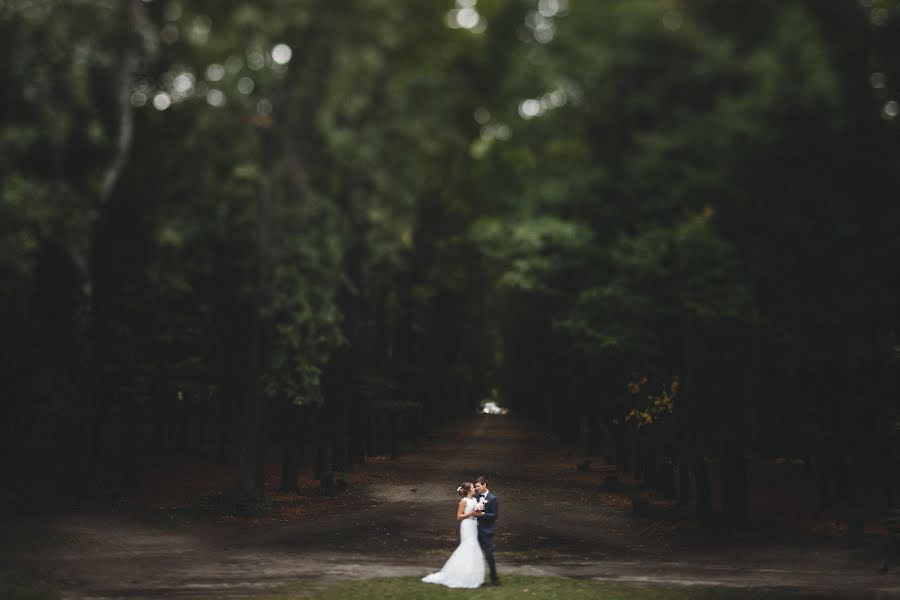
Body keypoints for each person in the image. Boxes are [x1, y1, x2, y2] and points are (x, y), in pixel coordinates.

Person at [421, 482, 486, 588]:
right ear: (469, 490)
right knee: (468, 546)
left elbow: (477, 514)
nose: (475, 489)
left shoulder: (474, 500)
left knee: (473, 547)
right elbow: (459, 517)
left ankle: (470, 574)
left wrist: (481, 512)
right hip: (467, 525)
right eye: (473, 488)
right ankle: (460, 574)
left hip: (474, 525)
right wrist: (472, 513)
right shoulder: (463, 501)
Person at [473, 475, 500, 585]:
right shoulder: (476, 497)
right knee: (475, 555)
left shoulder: (493, 499)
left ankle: (494, 578)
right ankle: (477, 578)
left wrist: (483, 513)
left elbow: (494, 515)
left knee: (489, 555)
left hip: (487, 531)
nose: (476, 488)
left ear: (485, 485)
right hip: (475, 531)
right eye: (475, 486)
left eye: (478, 486)